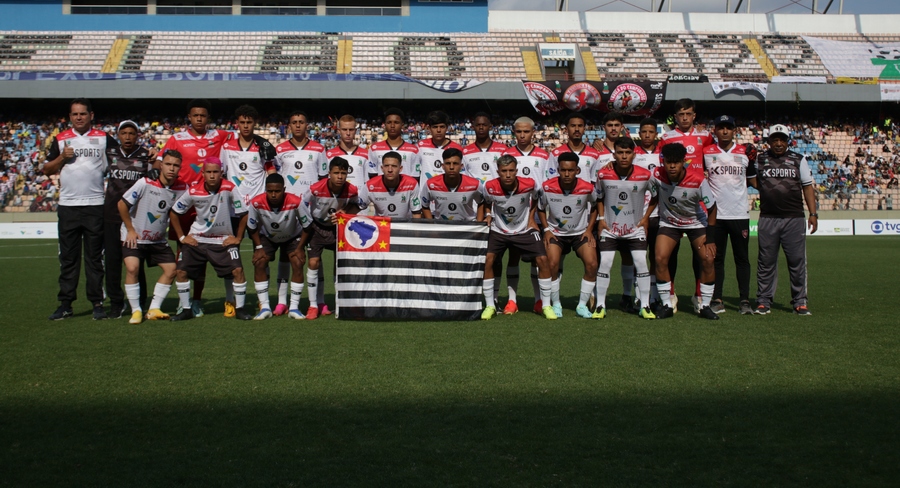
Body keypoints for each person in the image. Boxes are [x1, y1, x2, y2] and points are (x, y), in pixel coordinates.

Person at [45, 98, 117, 321]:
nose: (79, 117)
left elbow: (122, 158)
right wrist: (61, 158)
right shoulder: (60, 139)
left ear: (91, 115)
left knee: (95, 258)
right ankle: (66, 304)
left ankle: (97, 303)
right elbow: (47, 169)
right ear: (70, 117)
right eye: (75, 114)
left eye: (83, 114)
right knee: (68, 258)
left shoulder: (103, 138)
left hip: (95, 205)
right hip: (68, 207)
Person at [158, 99, 232, 317]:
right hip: (183, 204)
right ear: (189, 117)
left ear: (208, 118)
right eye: (195, 115)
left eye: (203, 115)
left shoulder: (218, 136)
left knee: (204, 254)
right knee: (184, 253)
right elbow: (161, 162)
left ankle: (197, 300)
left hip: (209, 204)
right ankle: (184, 301)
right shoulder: (176, 138)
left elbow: (243, 139)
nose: (199, 119)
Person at [168, 158, 252, 321]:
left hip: (223, 240)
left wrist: (238, 238)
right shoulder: (193, 191)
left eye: (215, 172)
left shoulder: (229, 187)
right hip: (197, 239)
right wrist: (182, 237)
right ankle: (186, 309)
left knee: (238, 271)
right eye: (209, 172)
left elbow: (244, 214)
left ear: (221, 173)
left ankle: (240, 309)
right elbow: (174, 212)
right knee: (181, 271)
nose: (212, 176)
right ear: (203, 173)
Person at [657, 98, 716, 313]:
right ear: (675, 116)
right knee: (666, 256)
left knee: (701, 258)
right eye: (681, 114)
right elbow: (657, 167)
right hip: (672, 203)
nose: (684, 118)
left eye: (688, 114)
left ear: (694, 115)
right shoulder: (666, 138)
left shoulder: (705, 135)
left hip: (697, 201)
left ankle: (700, 297)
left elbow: (715, 157)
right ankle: (669, 297)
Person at [480, 154, 556, 320]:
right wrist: (487, 214)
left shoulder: (529, 184)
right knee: (488, 260)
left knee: (543, 260)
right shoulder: (490, 186)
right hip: (499, 231)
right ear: (498, 171)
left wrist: (531, 218)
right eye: (504, 171)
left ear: (516, 170)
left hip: (523, 230)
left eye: (511, 170)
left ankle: (546, 305)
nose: (508, 175)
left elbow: (536, 198)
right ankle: (490, 306)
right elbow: (486, 202)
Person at [117, 150, 188, 324]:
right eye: (168, 164)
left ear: (180, 168)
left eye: (175, 165)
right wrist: (130, 229)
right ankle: (136, 311)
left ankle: (154, 308)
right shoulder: (145, 182)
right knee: (132, 268)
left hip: (157, 240)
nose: (171, 168)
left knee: (172, 270)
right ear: (161, 165)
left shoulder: (182, 188)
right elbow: (122, 204)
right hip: (134, 236)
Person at [753, 124, 818, 315]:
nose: (779, 143)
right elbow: (752, 180)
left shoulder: (799, 160)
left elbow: (807, 187)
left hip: (794, 218)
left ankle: (799, 301)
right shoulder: (760, 159)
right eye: (775, 140)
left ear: (787, 141)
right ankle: (763, 300)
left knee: (797, 261)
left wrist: (813, 214)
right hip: (768, 218)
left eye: (782, 139)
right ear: (769, 141)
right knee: (766, 262)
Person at [652, 144, 719, 320]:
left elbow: (712, 208)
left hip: (696, 223)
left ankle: (704, 305)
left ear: (684, 162)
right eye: (668, 162)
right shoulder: (657, 174)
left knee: (708, 258)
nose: (672, 166)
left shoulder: (698, 181)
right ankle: (667, 303)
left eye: (676, 162)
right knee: (659, 258)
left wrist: (710, 238)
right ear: (663, 162)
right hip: (669, 223)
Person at [594, 137, 658, 320]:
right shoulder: (603, 174)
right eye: (620, 153)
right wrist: (601, 218)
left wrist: (646, 218)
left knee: (641, 261)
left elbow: (655, 196)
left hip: (634, 228)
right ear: (614, 154)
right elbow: (599, 197)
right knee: (605, 262)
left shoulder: (645, 175)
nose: (624, 156)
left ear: (634, 154)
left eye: (627, 153)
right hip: (609, 227)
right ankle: (600, 305)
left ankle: (645, 306)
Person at [296, 157, 367, 319]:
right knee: (313, 262)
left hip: (338, 229)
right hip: (317, 227)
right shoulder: (316, 188)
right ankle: (313, 305)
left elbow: (358, 205)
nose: (340, 177)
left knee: (339, 265)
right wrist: (307, 224)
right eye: (336, 173)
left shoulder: (352, 190)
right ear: (329, 173)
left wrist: (346, 211)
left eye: (343, 173)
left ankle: (340, 303)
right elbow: (302, 204)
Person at [703, 115, 758, 315]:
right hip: (715, 216)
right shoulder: (706, 152)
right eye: (721, 127)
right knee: (716, 259)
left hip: (739, 213)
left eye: (729, 128)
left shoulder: (745, 153)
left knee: (742, 258)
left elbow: (754, 182)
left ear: (734, 131)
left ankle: (744, 300)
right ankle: (717, 298)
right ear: (715, 130)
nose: (725, 131)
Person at [498, 117, 551, 315]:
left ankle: (538, 300)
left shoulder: (544, 156)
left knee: (538, 258)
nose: (522, 135)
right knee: (513, 257)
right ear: (514, 132)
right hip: (512, 217)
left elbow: (545, 187)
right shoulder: (507, 155)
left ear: (533, 132)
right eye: (518, 132)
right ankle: (512, 301)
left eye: (526, 132)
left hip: (535, 216)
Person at [537, 152, 598, 319]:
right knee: (552, 264)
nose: (566, 174)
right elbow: (540, 209)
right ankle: (556, 304)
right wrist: (546, 230)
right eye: (563, 170)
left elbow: (594, 207)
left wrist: (589, 229)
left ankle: (581, 305)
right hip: (556, 234)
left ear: (577, 170)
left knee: (592, 264)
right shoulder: (547, 187)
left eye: (570, 170)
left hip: (579, 233)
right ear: (558, 169)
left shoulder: (587, 187)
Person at [103, 119, 154, 318]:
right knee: (113, 261)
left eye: (131, 133)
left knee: (135, 262)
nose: (127, 137)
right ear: (118, 135)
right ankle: (116, 303)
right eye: (123, 133)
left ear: (137, 135)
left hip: (135, 220)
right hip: (111, 216)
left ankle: (140, 302)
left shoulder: (145, 156)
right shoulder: (109, 154)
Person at [247, 173, 312, 320]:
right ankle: (264, 307)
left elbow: (308, 226)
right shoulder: (256, 203)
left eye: (277, 191)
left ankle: (294, 308)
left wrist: (300, 248)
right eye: (270, 191)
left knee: (297, 262)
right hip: (268, 236)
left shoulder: (295, 201)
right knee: (259, 262)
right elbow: (251, 227)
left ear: (284, 189)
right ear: (265, 190)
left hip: (292, 236)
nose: (274, 194)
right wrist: (258, 248)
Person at [591, 111, 638, 311]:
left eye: (616, 125)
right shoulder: (595, 152)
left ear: (621, 127)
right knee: (602, 256)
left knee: (628, 256)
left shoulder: (629, 149)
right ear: (604, 128)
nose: (613, 128)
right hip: (603, 212)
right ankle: (597, 298)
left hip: (628, 212)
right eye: (609, 125)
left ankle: (627, 296)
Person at [632, 117, 663, 307]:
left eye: (651, 132)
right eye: (644, 132)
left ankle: (654, 295)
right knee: (639, 257)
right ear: (639, 133)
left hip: (660, 213)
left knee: (656, 257)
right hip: (638, 215)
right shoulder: (633, 153)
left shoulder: (663, 153)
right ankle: (638, 295)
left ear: (656, 134)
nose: (647, 135)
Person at [421, 147, 484, 221]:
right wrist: (432, 225)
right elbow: (425, 206)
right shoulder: (430, 184)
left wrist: (479, 224)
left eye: (455, 163)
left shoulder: (475, 184)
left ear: (461, 166)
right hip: (442, 227)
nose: (451, 167)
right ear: (443, 166)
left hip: (468, 228)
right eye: (448, 163)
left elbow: (481, 202)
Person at [364, 151, 422, 219]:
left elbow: (416, 213)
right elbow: (357, 207)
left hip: (404, 226)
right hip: (382, 227)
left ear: (400, 169)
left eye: (394, 166)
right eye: (386, 166)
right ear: (382, 168)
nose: (390, 170)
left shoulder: (412, 184)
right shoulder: (370, 185)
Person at [367, 108, 420, 181]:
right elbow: (372, 176)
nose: (392, 125)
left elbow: (415, 178)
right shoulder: (374, 148)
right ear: (385, 125)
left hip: (405, 191)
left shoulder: (413, 150)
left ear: (402, 125)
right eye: (389, 122)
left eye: (396, 122)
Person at [417, 110, 463, 187]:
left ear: (447, 128)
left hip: (447, 194)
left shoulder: (457, 148)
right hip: (426, 195)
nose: (438, 130)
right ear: (429, 128)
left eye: (442, 127)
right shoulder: (420, 146)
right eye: (435, 127)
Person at [462, 112, 507, 183]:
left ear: (490, 127)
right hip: (474, 193)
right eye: (478, 125)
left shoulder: (503, 150)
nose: (481, 128)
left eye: (484, 125)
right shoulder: (465, 152)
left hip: (496, 192)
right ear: (473, 127)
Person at [327, 114, 369, 191]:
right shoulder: (329, 155)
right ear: (339, 131)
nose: (348, 133)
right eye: (344, 129)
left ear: (355, 131)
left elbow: (367, 182)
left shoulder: (366, 154)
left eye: (351, 129)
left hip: (358, 200)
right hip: (337, 200)